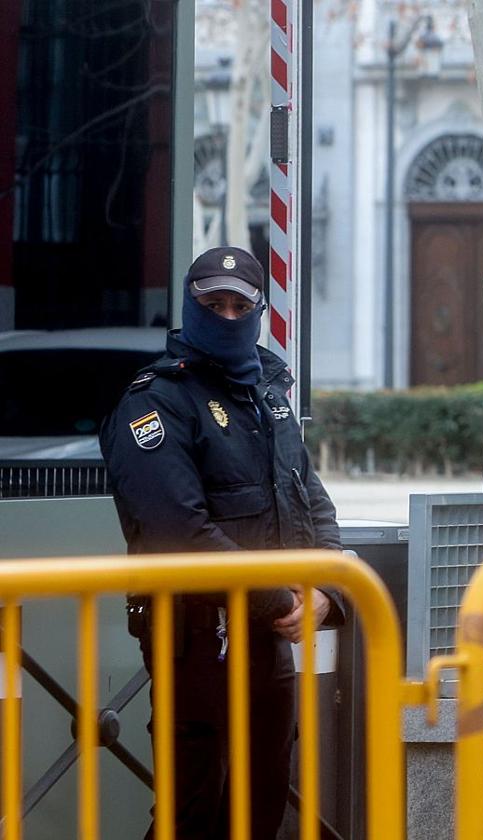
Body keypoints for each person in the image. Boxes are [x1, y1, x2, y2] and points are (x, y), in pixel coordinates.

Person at [100, 245, 345, 840]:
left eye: (242, 306)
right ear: (191, 304)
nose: (229, 317)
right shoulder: (155, 402)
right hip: (196, 640)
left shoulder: (267, 393)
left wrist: (328, 590)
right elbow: (177, 533)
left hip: (267, 637)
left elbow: (309, 498)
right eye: (215, 303)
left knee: (260, 810)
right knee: (196, 815)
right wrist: (282, 599)